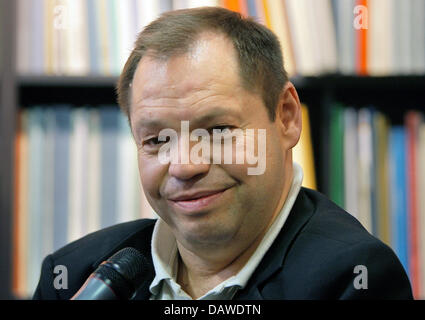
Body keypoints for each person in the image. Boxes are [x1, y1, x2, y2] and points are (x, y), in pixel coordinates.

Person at [33, 7, 412, 300]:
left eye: (217, 131)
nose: (184, 165)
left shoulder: (352, 278)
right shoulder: (75, 276)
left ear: (287, 118)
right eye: (156, 141)